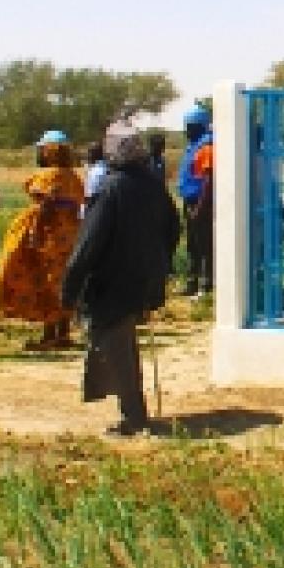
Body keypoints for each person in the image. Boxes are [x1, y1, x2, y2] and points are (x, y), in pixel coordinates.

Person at [62, 121, 180, 436]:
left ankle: (135, 416)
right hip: (145, 277)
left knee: (112, 343)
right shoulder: (153, 184)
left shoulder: (110, 189)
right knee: (124, 340)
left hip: (113, 282)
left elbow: (88, 245)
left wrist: (70, 286)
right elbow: (173, 227)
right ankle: (133, 407)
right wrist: (159, 262)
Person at [0, 129, 84, 350]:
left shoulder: (46, 177)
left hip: (50, 236)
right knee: (63, 280)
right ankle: (63, 332)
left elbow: (44, 206)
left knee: (46, 280)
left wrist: (33, 233)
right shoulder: (74, 177)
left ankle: (50, 334)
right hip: (70, 235)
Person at [177, 106, 214, 296]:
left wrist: (200, 207)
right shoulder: (194, 146)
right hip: (191, 200)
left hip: (201, 203)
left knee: (204, 243)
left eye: (190, 127)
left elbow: (209, 180)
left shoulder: (206, 147)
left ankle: (207, 283)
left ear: (200, 127)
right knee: (193, 243)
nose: (186, 131)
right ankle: (193, 281)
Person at [81, 141, 109, 214]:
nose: (87, 156)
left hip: (94, 211)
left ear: (94, 154)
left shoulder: (96, 172)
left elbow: (90, 196)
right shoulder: (107, 167)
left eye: (89, 153)